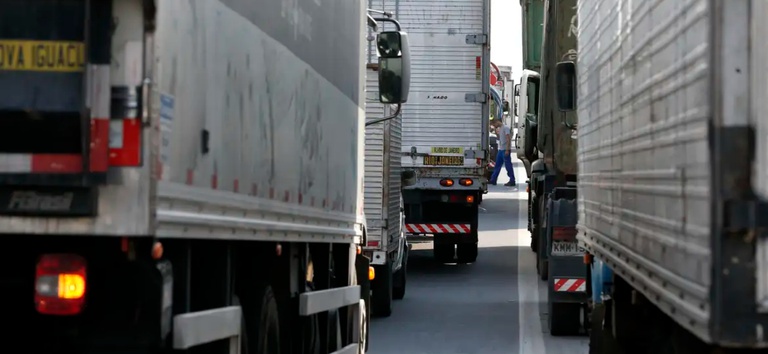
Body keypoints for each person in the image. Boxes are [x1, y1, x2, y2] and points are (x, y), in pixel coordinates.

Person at [489, 119, 516, 187]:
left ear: (497, 122)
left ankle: (512, 180)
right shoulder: (500, 128)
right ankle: (493, 179)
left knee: (508, 166)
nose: (494, 126)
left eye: (494, 124)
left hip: (505, 150)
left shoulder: (505, 127)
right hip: (501, 150)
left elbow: (508, 138)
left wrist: (507, 149)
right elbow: (499, 138)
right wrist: (495, 130)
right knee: (497, 165)